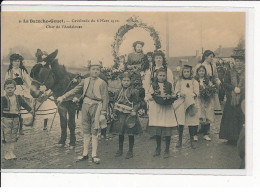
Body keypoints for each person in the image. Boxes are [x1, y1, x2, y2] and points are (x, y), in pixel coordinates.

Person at [57, 61, 109, 164]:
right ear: (89, 70)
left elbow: (105, 99)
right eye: (93, 69)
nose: (95, 71)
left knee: (94, 130)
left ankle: (94, 154)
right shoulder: (85, 81)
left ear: (99, 71)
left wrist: (103, 113)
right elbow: (75, 90)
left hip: (96, 107)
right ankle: (85, 154)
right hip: (85, 106)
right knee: (85, 130)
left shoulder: (102, 83)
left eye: (97, 69)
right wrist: (63, 97)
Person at [146, 68, 178, 158]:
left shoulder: (169, 85)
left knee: (167, 128)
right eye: (160, 75)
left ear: (166, 76)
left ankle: (167, 149)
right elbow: (149, 95)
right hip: (157, 109)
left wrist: (170, 97)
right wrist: (155, 97)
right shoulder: (153, 85)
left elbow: (173, 94)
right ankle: (158, 148)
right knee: (158, 128)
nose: (162, 77)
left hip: (167, 109)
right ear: (157, 76)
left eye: (164, 75)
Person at [110, 72, 142, 159]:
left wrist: (134, 110)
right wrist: (114, 112)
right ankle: (120, 150)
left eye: (128, 80)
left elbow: (137, 103)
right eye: (124, 80)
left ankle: (130, 151)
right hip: (120, 115)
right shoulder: (118, 91)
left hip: (130, 115)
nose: (126, 82)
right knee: (121, 133)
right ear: (121, 81)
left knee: (130, 133)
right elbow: (115, 102)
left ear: (130, 81)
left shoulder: (134, 91)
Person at [1, 79, 33, 160]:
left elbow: (25, 104)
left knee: (14, 136)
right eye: (8, 88)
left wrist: (31, 110)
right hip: (6, 119)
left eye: (12, 87)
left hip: (16, 119)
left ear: (15, 88)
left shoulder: (18, 97)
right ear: (4, 89)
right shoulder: (3, 98)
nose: (10, 89)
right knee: (6, 136)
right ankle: (7, 153)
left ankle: (11, 152)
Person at [219, 48, 245, 145]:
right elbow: (225, 83)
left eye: (241, 61)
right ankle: (231, 138)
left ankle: (241, 138)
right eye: (237, 61)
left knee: (241, 118)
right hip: (231, 99)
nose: (238, 63)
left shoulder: (247, 72)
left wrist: (241, 89)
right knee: (231, 118)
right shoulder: (229, 72)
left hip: (243, 99)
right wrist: (233, 88)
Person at [5, 53, 32, 135]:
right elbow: (6, 83)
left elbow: (28, 82)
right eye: (15, 61)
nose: (17, 63)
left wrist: (30, 89)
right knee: (14, 110)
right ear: (12, 62)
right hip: (12, 91)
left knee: (21, 111)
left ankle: (20, 129)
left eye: (18, 61)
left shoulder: (22, 71)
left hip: (21, 91)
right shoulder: (9, 72)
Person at [174, 65, 200, 149]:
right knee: (181, 122)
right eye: (184, 72)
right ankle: (180, 139)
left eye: (188, 71)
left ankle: (192, 139)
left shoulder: (194, 82)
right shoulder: (179, 82)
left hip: (191, 103)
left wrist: (191, 96)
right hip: (182, 103)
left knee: (191, 122)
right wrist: (179, 94)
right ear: (182, 72)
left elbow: (196, 92)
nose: (186, 73)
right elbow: (176, 91)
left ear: (191, 72)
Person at [194, 50, 222, 115]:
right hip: (201, 86)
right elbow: (195, 77)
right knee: (201, 104)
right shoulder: (199, 65)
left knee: (210, 106)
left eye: (213, 57)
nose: (212, 59)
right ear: (206, 57)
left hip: (211, 87)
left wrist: (218, 82)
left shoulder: (213, 66)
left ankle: (209, 119)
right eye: (211, 57)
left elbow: (215, 76)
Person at [195, 65, 215, 141]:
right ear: (197, 72)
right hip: (198, 100)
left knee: (207, 115)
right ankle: (195, 133)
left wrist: (209, 90)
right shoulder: (195, 80)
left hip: (206, 100)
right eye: (200, 71)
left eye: (203, 71)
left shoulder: (207, 80)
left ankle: (206, 133)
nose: (201, 72)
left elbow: (211, 87)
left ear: (205, 72)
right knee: (198, 115)